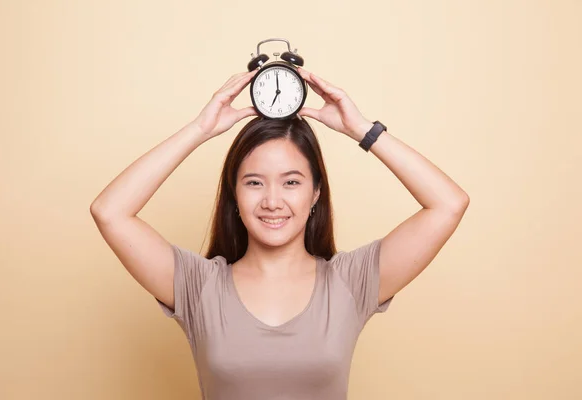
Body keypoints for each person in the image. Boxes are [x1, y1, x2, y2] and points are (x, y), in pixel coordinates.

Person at [90, 67, 470, 400]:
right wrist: (199, 130)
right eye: (254, 182)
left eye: (291, 182)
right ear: (234, 194)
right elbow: (110, 212)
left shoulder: (350, 281)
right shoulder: (198, 285)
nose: (272, 201)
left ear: (315, 193)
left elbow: (448, 204)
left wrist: (362, 130)